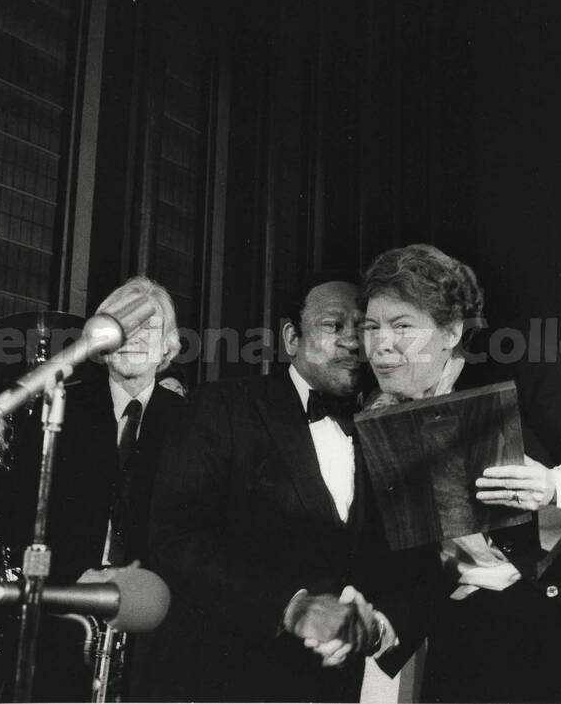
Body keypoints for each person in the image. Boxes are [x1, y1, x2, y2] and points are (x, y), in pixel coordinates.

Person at [358, 244, 561, 703]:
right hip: (470, 652)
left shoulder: (523, 381)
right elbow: (410, 569)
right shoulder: (376, 425)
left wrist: (556, 485)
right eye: (371, 327)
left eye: (402, 327)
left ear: (451, 331)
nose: (380, 345)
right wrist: (380, 627)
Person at [131, 279, 442, 702]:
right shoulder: (221, 406)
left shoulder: (394, 432)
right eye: (334, 325)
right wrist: (289, 607)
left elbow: (419, 566)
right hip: (218, 683)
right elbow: (176, 542)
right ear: (292, 338)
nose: (353, 342)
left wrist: (378, 628)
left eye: (364, 328)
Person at [3, 276, 186, 701]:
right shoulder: (59, 408)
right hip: (64, 615)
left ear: (168, 346)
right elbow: (15, 517)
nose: (135, 338)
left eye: (150, 328)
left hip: (155, 622)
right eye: (124, 325)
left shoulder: (192, 423)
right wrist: (73, 578)